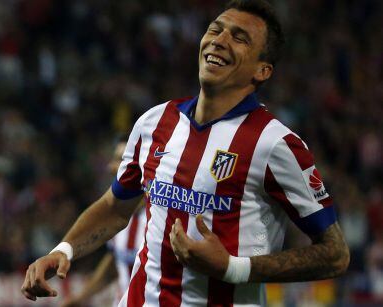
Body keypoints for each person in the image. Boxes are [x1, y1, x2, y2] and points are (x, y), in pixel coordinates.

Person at [21, 1, 350, 306]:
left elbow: (334, 254)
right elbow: (115, 208)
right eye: (215, 29)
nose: (219, 40)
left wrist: (232, 268)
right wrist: (63, 249)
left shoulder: (275, 144)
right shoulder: (155, 121)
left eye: (239, 38)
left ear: (262, 71)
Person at [62, 136, 147, 307]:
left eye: (121, 160)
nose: (111, 167)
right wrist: (80, 299)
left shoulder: (161, 217)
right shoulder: (116, 214)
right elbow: (115, 262)